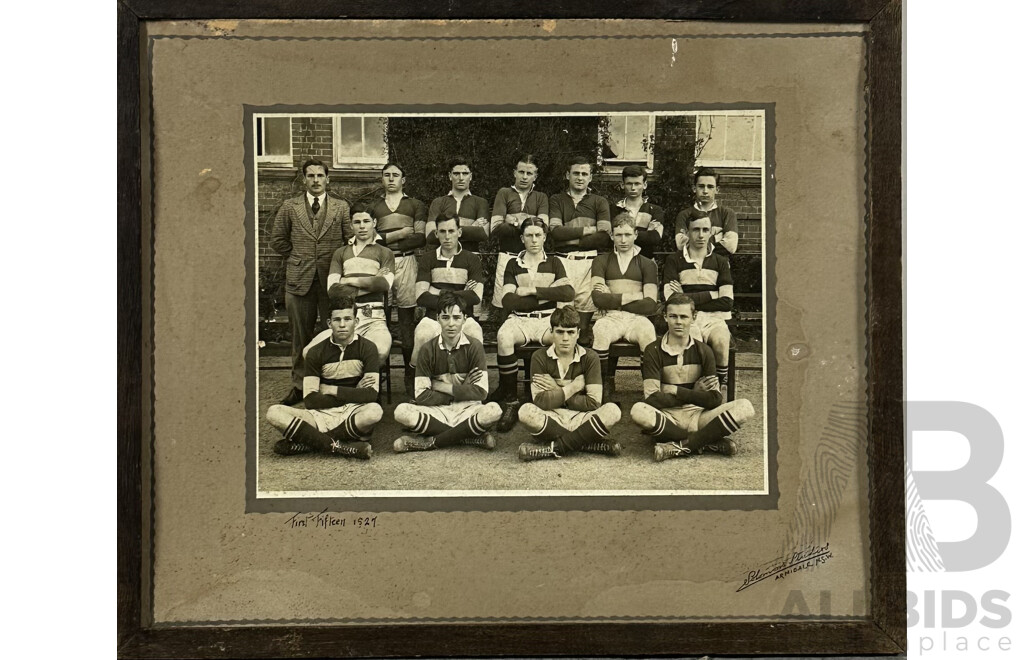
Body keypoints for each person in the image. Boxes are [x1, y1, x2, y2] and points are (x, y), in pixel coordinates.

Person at [629, 293, 754, 461]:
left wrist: (676, 391)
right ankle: (705, 441)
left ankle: (682, 446)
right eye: (673, 316)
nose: (678, 322)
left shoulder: (704, 351)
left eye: (684, 316)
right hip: (668, 418)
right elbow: (652, 399)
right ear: (665, 316)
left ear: (694, 317)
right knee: (638, 411)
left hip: (699, 416)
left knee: (745, 407)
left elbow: (715, 400)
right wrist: (693, 393)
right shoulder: (653, 350)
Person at [268, 158, 352, 405]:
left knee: (333, 333)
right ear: (303, 179)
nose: (316, 180)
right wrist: (298, 257)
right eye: (311, 175)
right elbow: (277, 240)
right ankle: (299, 386)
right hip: (299, 280)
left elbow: (349, 240)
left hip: (331, 281)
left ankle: (330, 384)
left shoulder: (341, 207)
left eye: (320, 175)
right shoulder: (290, 206)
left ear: (328, 179)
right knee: (300, 337)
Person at [265, 293, 382, 459]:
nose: (342, 325)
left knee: (374, 411)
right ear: (329, 323)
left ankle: (311, 442)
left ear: (356, 322)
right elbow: (311, 400)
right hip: (320, 414)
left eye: (348, 319)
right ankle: (342, 447)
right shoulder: (316, 352)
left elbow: (371, 394)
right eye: (337, 320)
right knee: (273, 412)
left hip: (352, 412)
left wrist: (331, 389)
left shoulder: (368, 348)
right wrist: (354, 393)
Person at [491, 218, 575, 430]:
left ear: (545, 237)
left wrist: (531, 291)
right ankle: (511, 400)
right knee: (504, 337)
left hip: (548, 319)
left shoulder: (554, 262)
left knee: (563, 340)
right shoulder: (513, 263)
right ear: (522, 238)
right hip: (520, 319)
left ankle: (558, 395)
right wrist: (548, 293)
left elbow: (567, 292)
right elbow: (508, 300)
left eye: (538, 235)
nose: (534, 239)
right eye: (529, 235)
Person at [392, 292, 503, 452]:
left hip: (467, 408)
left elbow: (481, 393)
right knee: (401, 412)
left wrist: (440, 386)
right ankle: (468, 437)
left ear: (465, 319)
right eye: (445, 317)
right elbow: (422, 396)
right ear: (437, 319)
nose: (451, 324)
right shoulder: (427, 349)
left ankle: (428, 442)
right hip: (437, 409)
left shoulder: (474, 346)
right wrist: (463, 389)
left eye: (457, 318)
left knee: (494, 410)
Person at [516, 306, 623, 461]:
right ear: (551, 332)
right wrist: (572, 388)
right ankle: (586, 443)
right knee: (525, 412)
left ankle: (553, 448)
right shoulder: (539, 357)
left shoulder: (590, 357)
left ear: (578, 334)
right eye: (559, 332)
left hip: (582, 418)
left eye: (571, 332)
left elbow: (593, 403)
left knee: (613, 411)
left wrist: (555, 389)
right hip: (553, 416)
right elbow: (540, 402)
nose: (565, 338)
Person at [307, 205, 395, 364]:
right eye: (357, 222)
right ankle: (344, 383)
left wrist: (347, 280)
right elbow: (333, 291)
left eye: (366, 221)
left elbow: (384, 284)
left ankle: (362, 387)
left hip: (373, 319)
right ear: (351, 225)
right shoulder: (340, 253)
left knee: (380, 352)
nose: (362, 226)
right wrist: (371, 282)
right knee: (309, 353)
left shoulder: (384, 252)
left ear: (374, 223)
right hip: (344, 317)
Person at [370, 162, 427, 393]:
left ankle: (409, 373)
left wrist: (386, 237)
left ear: (404, 179)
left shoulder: (415, 204)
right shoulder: (374, 207)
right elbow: (372, 239)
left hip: (407, 262)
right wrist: (402, 232)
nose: (391, 179)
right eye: (387, 175)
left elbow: (420, 238)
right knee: (379, 318)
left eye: (396, 175)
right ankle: (376, 374)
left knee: (406, 321)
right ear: (382, 179)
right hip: (382, 263)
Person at [663, 213, 734, 395]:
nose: (701, 235)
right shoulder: (674, 260)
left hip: (715, 319)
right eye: (696, 230)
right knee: (691, 341)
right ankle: (693, 390)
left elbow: (727, 302)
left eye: (705, 230)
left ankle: (719, 386)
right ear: (687, 232)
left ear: (711, 232)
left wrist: (685, 295)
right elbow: (671, 300)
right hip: (687, 319)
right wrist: (711, 294)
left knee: (720, 340)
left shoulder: (720, 261)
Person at [590, 214, 659, 394]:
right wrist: (635, 295)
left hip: (637, 318)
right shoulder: (600, 261)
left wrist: (613, 299)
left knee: (648, 332)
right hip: (611, 317)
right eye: (618, 235)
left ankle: (651, 391)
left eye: (627, 234)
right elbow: (598, 299)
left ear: (636, 234)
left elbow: (650, 305)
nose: (623, 240)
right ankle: (602, 388)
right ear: (612, 235)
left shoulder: (647, 264)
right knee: (600, 330)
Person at [548, 155, 611, 344]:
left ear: (590, 177)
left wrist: (572, 240)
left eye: (585, 174)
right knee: (563, 320)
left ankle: (581, 367)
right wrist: (587, 231)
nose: (580, 177)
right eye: (576, 173)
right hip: (562, 261)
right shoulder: (557, 200)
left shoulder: (599, 201)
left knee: (583, 327)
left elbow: (604, 237)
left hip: (588, 262)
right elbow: (556, 233)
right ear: (568, 175)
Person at [410, 216, 485, 371]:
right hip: (433, 318)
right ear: (436, 234)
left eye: (451, 231)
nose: (447, 236)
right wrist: (461, 292)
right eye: (442, 231)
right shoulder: (427, 259)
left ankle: (475, 384)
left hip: (464, 318)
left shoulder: (472, 259)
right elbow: (421, 297)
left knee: (475, 333)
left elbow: (475, 297)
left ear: (459, 232)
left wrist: (438, 291)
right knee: (422, 335)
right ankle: (415, 381)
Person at [489, 154, 549, 311]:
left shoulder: (541, 197)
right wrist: (530, 222)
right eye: (521, 172)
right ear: (514, 172)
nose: (524, 177)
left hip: (533, 258)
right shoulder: (504, 193)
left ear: (535, 176)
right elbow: (496, 228)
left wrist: (514, 220)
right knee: (504, 302)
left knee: (530, 300)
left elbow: (543, 228)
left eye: (529, 173)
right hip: (508, 255)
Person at [426, 157, 490, 252]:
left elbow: (482, 234)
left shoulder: (481, 202)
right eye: (456, 174)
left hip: (470, 257)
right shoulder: (438, 202)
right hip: (443, 257)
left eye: (465, 174)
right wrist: (470, 226)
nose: (461, 178)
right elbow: (430, 236)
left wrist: (444, 228)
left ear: (471, 176)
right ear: (450, 176)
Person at [674, 167, 738, 255]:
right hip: (691, 265)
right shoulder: (684, 215)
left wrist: (695, 240)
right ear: (694, 188)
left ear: (717, 190)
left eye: (710, 187)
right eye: (701, 186)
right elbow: (681, 245)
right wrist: (716, 237)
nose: (705, 191)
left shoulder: (727, 213)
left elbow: (730, 246)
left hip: (718, 266)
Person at [611, 165, 666, 258]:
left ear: (645, 185)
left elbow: (655, 238)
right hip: (618, 261)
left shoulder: (654, 210)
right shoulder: (614, 209)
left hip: (646, 262)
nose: (633, 188)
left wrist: (623, 233)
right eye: (629, 183)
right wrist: (645, 233)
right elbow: (610, 238)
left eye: (637, 183)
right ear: (622, 185)